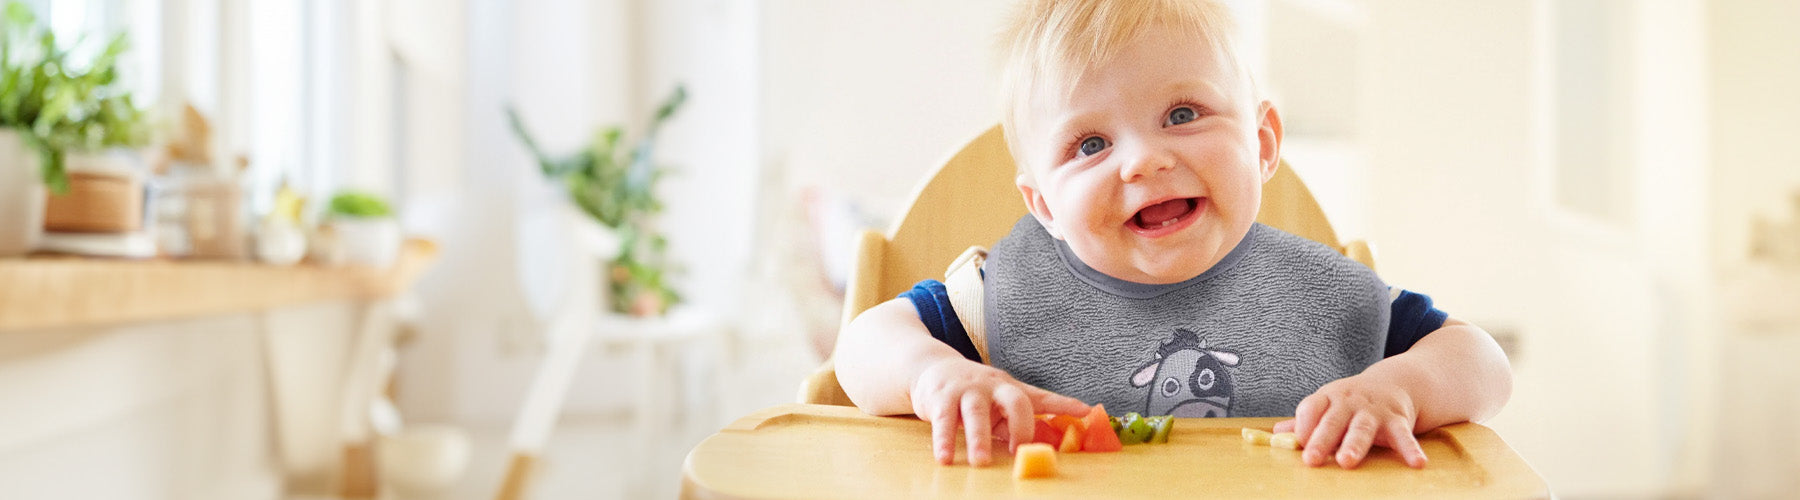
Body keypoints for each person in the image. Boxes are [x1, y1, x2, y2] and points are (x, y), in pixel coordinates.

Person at [832, 0, 1512, 471]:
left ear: (1263, 142)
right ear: (1043, 206)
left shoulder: (1314, 299)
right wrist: (937, 377)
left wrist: (1396, 389)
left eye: (1182, 113)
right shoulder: (1003, 301)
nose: (1143, 160)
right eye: (1090, 143)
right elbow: (863, 348)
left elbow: (1479, 360)